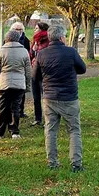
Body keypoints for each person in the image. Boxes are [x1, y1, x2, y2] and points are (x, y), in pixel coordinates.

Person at [33, 24, 87, 172]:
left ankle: (52, 162)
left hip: (49, 97)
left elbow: (35, 75)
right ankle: (76, 163)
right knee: (74, 130)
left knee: (50, 130)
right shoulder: (71, 52)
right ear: (62, 37)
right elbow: (82, 68)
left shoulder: (42, 54)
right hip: (69, 97)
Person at [0, 29, 31, 138]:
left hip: (3, 83)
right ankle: (14, 132)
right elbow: (28, 71)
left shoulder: (1, 51)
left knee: (2, 107)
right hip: (19, 84)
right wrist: (27, 86)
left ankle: (0, 132)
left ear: (6, 39)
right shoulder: (24, 51)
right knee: (15, 108)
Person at [28, 21, 51, 127]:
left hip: (44, 72)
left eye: (36, 28)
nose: (34, 30)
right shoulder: (35, 40)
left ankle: (48, 119)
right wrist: (33, 50)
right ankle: (38, 118)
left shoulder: (47, 40)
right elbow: (31, 55)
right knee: (36, 97)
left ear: (42, 29)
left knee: (45, 96)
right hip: (34, 70)